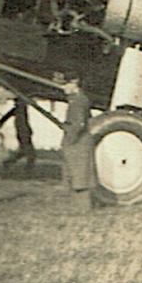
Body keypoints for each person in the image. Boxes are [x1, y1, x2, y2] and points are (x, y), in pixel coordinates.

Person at [58, 74, 94, 209]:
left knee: (80, 175)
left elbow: (79, 124)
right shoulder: (78, 99)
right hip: (79, 141)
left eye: (66, 85)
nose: (63, 88)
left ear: (75, 83)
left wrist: (69, 139)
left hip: (78, 142)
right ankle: (79, 207)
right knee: (77, 174)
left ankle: (83, 208)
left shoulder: (78, 101)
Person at [3, 100, 36, 171]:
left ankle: (8, 162)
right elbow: (23, 123)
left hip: (24, 131)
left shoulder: (19, 112)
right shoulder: (20, 112)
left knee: (24, 151)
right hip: (24, 132)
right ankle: (29, 167)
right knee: (28, 152)